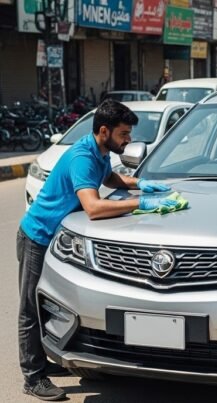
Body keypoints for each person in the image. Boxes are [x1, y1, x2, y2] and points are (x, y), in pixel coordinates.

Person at [18, 99, 178, 401]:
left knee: (47, 304)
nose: (128, 140)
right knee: (31, 309)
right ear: (104, 131)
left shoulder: (99, 151)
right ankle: (33, 376)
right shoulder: (82, 157)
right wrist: (140, 204)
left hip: (56, 237)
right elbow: (92, 207)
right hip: (36, 236)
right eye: (123, 134)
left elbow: (109, 178)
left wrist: (141, 184)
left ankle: (45, 364)